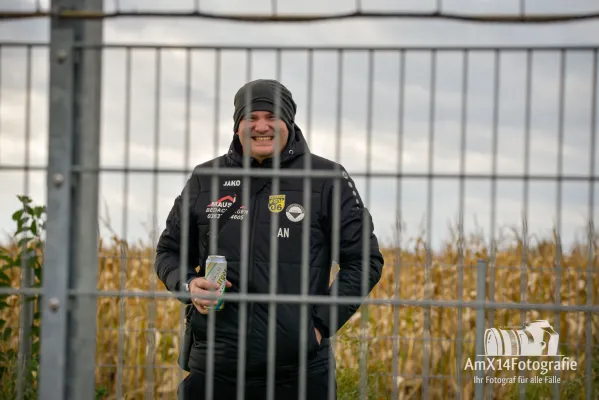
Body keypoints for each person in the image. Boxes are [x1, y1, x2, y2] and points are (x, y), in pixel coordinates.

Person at [154, 79, 385, 399]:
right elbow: (169, 251)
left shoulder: (326, 179)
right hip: (214, 366)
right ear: (237, 127)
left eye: (271, 116)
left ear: (288, 121)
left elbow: (364, 260)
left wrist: (317, 328)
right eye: (250, 118)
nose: (261, 126)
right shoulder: (206, 179)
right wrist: (189, 284)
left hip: (299, 372)